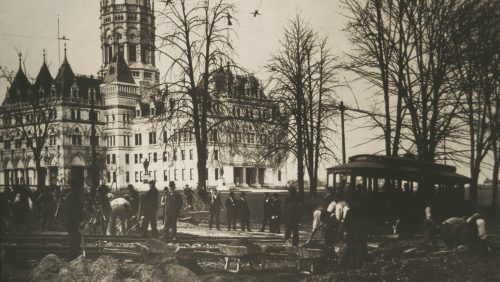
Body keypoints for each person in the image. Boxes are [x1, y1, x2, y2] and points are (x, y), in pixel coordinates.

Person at [342, 197, 368, 268]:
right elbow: (367, 223)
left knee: (352, 250)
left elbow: (346, 223)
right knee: (359, 249)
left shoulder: (350, 211)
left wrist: (346, 232)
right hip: (361, 233)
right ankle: (358, 264)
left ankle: (353, 264)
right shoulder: (364, 211)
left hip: (352, 234)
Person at [65, 186, 84, 260]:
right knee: (75, 239)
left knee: (74, 239)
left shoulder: (69, 196)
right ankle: (72, 257)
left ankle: (72, 257)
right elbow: (78, 209)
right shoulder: (74, 197)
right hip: (73, 221)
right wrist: (81, 218)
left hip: (70, 221)